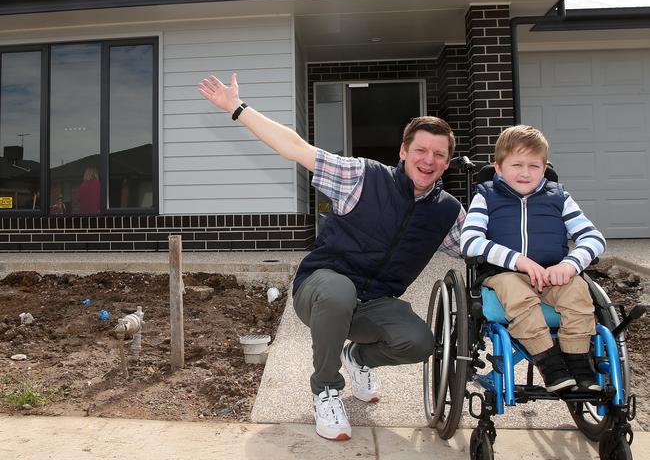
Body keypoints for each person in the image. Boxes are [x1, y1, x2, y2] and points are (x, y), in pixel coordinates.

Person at [199, 73, 465, 441]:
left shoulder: (447, 211)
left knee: (419, 341)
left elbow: (478, 247)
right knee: (338, 291)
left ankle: (358, 357)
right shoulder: (362, 176)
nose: (428, 160)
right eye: (420, 150)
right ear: (403, 151)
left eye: (439, 154)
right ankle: (325, 389)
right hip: (320, 290)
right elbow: (295, 147)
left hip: (373, 304)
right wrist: (236, 107)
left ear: (448, 163)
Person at [461, 125, 606, 393]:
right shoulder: (486, 197)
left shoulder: (559, 198)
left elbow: (593, 238)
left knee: (578, 290)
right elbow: (470, 242)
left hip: (553, 274)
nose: (525, 173)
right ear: (499, 168)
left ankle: (579, 366)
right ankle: (550, 364)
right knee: (516, 292)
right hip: (504, 274)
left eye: (534, 166)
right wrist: (518, 260)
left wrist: (570, 264)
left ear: (545, 167)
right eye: (516, 164)